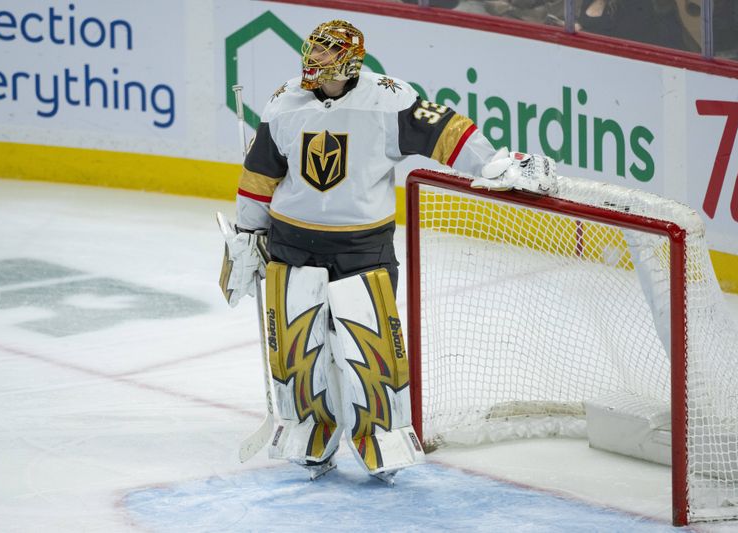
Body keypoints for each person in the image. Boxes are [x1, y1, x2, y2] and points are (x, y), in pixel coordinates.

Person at [219, 19, 556, 483]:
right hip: (291, 242)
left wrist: (493, 162)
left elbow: (445, 130)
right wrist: (247, 235)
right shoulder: (284, 102)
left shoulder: (387, 99)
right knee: (299, 347)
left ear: (350, 60)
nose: (314, 60)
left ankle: (382, 435)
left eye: (325, 53)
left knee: (371, 345)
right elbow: (259, 176)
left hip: (362, 247)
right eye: (313, 50)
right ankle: (309, 430)